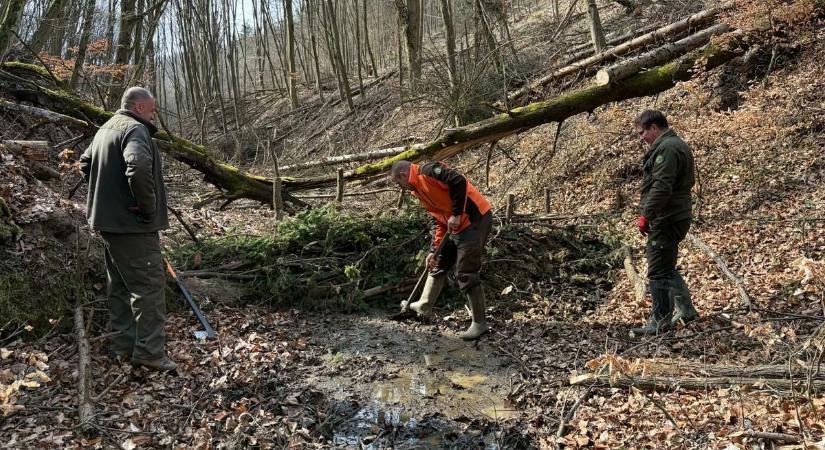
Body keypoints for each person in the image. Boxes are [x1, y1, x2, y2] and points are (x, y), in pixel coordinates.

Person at [79, 87, 176, 371]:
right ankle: (149, 352)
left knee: (120, 285)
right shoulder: (135, 130)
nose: (153, 113)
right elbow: (138, 165)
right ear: (137, 107)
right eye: (151, 108)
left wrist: (109, 198)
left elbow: (85, 163)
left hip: (109, 224)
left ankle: (123, 346)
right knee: (148, 287)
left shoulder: (106, 128)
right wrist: (146, 208)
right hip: (133, 226)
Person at [391, 160, 493, 340]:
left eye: (399, 183)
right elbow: (439, 218)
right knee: (439, 261)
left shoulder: (429, 171)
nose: (401, 188)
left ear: (403, 175)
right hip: (456, 225)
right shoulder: (418, 190)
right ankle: (423, 305)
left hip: (475, 218)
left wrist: (456, 213)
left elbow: (459, 181)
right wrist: (434, 249)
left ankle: (480, 323)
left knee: (465, 271)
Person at [632, 110, 699, 335]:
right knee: (666, 266)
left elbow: (662, 186)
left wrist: (647, 215)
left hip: (667, 217)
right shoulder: (673, 144)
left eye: (643, 132)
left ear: (654, 128)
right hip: (674, 214)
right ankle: (686, 311)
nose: (641, 138)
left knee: (658, 270)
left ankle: (659, 322)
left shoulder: (668, 148)